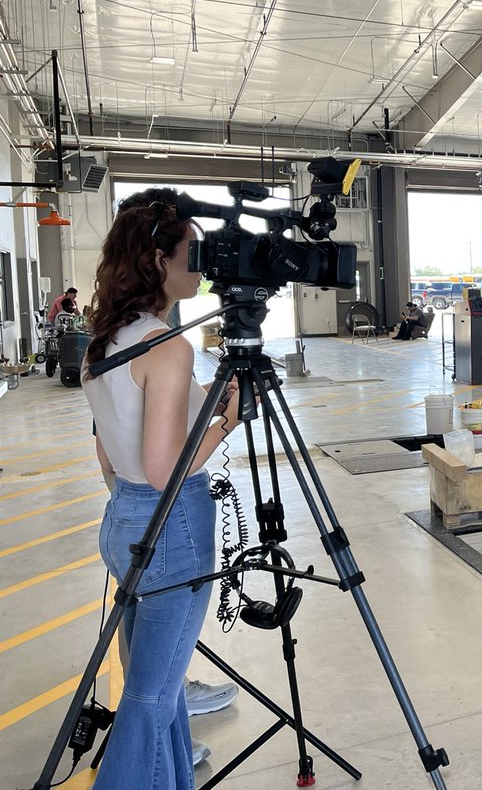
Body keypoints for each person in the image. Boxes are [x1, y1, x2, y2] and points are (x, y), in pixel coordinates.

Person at [83, 194, 239, 789]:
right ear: (157, 261)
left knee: (161, 682)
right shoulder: (168, 349)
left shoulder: (109, 340)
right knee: (149, 696)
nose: (201, 264)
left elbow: (108, 452)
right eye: (191, 253)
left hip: (123, 521)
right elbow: (163, 469)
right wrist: (226, 424)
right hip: (170, 527)